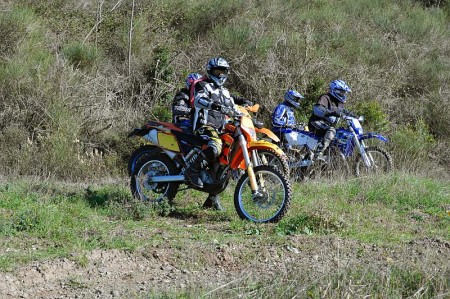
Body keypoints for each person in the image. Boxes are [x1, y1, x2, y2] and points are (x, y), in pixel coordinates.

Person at [185, 57, 251, 211]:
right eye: (217, 71)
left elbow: (233, 108)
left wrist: (245, 111)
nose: (220, 74)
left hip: (221, 129)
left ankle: (212, 198)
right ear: (210, 71)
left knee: (225, 161)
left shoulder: (225, 92)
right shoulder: (203, 85)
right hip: (204, 126)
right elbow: (198, 100)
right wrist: (213, 105)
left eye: (223, 71)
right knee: (215, 146)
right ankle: (192, 169)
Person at [308, 79, 352, 158]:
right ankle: (319, 152)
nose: (343, 94)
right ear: (335, 90)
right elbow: (318, 109)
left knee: (340, 134)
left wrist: (354, 116)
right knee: (331, 130)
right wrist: (332, 113)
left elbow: (344, 111)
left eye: (344, 92)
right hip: (316, 122)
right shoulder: (325, 97)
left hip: (327, 125)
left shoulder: (339, 103)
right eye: (342, 92)